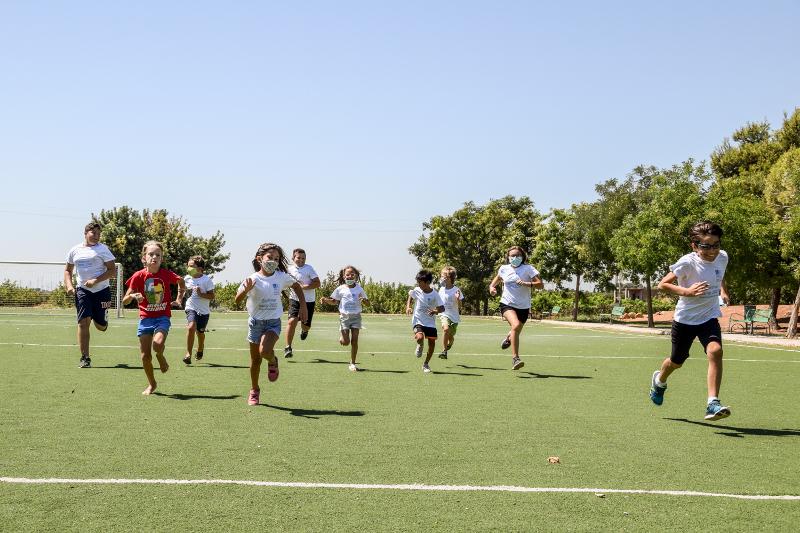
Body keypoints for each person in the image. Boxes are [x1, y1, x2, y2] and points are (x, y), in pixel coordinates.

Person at [649, 221, 731, 421]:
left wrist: (724, 291)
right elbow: (663, 284)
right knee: (677, 361)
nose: (712, 250)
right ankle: (659, 380)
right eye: (705, 246)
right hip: (685, 319)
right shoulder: (687, 262)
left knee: (715, 351)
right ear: (694, 246)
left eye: (715, 244)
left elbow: (720, 276)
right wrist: (687, 291)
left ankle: (712, 402)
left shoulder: (723, 257)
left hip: (709, 316)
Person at [235, 243, 307, 406]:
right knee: (255, 361)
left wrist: (303, 307)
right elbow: (237, 300)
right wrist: (245, 291)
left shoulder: (281, 277)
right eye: (270, 257)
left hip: (273, 323)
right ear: (259, 259)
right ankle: (254, 390)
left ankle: (273, 360)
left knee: (264, 351)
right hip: (255, 323)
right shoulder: (252, 279)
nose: (273, 261)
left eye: (276, 259)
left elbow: (296, 286)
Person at [122, 241, 185, 395]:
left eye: (158, 255)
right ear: (144, 258)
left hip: (162, 317)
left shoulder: (166, 274)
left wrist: (179, 299)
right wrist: (132, 295)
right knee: (145, 356)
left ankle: (161, 355)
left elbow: (181, 281)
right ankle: (152, 384)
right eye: (151, 254)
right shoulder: (138, 276)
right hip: (145, 319)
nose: (154, 257)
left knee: (157, 345)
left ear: (162, 258)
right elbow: (124, 300)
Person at [64, 222, 117, 368]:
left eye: (99, 234)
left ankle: (101, 320)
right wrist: (69, 285)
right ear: (86, 233)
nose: (96, 236)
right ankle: (85, 358)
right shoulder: (74, 250)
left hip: (101, 291)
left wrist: (95, 280)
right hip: (82, 291)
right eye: (94, 233)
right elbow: (68, 270)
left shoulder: (103, 249)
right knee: (83, 322)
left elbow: (112, 271)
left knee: (101, 327)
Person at [489, 246, 543, 370]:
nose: (515, 258)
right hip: (507, 304)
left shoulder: (528, 269)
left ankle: (509, 338)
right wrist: (492, 288)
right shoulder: (504, 268)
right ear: (508, 257)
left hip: (523, 307)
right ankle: (515, 359)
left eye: (517, 256)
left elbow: (540, 285)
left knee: (516, 329)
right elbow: (494, 282)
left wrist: (526, 283)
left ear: (522, 257)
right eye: (512, 256)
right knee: (516, 325)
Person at [319, 265, 370, 371]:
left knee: (354, 340)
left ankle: (352, 363)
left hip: (356, 317)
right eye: (347, 274)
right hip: (344, 318)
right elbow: (334, 301)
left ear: (356, 276)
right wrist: (325, 300)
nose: (350, 276)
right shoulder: (340, 289)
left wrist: (364, 301)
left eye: (352, 274)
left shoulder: (359, 289)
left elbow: (368, 303)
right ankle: (343, 338)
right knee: (346, 342)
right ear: (343, 276)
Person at [405, 269, 445, 373]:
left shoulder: (435, 294)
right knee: (419, 337)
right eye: (417, 282)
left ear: (427, 283)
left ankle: (426, 364)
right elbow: (411, 295)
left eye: (420, 282)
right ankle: (420, 344)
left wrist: (435, 311)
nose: (418, 284)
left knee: (432, 344)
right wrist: (408, 307)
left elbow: (442, 308)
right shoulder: (417, 290)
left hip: (430, 323)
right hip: (418, 320)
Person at [283, 248, 320, 358]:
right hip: (294, 300)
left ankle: (304, 331)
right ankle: (288, 347)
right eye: (298, 257)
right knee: (292, 321)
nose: (301, 260)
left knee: (306, 326)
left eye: (303, 258)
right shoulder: (288, 270)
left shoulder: (309, 269)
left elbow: (317, 283)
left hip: (308, 301)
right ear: (293, 258)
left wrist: (306, 286)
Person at [182, 256, 215, 365]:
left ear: (200, 268)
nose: (189, 268)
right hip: (191, 307)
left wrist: (201, 294)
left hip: (204, 311)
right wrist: (178, 298)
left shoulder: (206, 280)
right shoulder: (186, 278)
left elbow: (212, 296)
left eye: (192, 266)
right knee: (191, 327)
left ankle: (200, 348)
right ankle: (188, 353)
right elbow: (181, 288)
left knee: (200, 333)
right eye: (188, 266)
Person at [438, 266, 463, 360]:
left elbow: (460, 306)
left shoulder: (456, 290)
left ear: (449, 278)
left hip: (454, 317)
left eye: (443, 276)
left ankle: (451, 342)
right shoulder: (441, 289)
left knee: (451, 337)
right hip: (444, 314)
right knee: (445, 329)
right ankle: (444, 351)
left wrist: (457, 298)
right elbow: (438, 302)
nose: (441, 278)